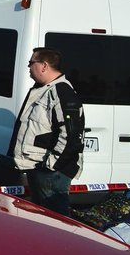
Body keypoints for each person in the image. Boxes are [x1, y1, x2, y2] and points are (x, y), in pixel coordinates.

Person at [8, 47, 85, 216]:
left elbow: (71, 136)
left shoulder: (61, 91)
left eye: (31, 63)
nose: (28, 67)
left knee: (56, 221)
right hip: (38, 168)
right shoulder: (42, 89)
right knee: (40, 221)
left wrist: (50, 165)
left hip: (52, 173)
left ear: (43, 66)